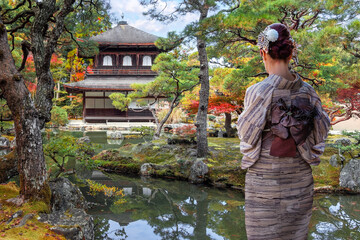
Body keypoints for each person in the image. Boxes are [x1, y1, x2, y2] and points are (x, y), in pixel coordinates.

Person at [236, 23, 330, 240]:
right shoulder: (308, 92)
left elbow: (247, 137)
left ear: (263, 52)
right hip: (299, 181)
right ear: (291, 53)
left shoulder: (257, 91)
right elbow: (320, 132)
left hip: (264, 183)